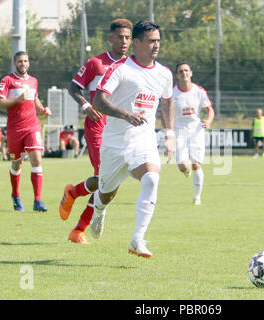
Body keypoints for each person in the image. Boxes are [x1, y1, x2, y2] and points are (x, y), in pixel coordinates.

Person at [90, 20, 175, 258]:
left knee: (151, 178)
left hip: (143, 141)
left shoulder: (164, 74)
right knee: (106, 193)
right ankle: (99, 209)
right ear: (136, 42)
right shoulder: (121, 69)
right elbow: (98, 100)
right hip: (115, 143)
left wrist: (170, 135)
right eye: (151, 41)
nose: (156, 45)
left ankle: (137, 240)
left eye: (158, 40)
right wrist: (125, 114)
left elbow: (167, 103)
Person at [59, 18, 133, 244]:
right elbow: (74, 87)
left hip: (121, 130)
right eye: (119, 37)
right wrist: (86, 106)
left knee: (112, 184)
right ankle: (79, 229)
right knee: (105, 179)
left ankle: (74, 194)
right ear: (110, 38)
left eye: (128, 38)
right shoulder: (95, 63)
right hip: (98, 127)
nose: (123, 41)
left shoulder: (132, 65)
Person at [0, 51, 52, 212]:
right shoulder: (8, 80)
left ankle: (38, 201)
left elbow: (34, 98)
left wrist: (42, 109)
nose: (23, 64)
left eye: (25, 61)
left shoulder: (34, 81)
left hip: (32, 126)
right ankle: (15, 194)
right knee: (17, 163)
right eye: (20, 61)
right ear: (15, 63)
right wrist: (17, 99)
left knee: (37, 160)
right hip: (14, 129)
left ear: (29, 63)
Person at [173, 62, 214, 205]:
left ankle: (197, 197)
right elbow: (166, 112)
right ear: (177, 75)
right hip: (179, 132)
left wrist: (208, 121)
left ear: (191, 73)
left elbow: (210, 110)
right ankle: (186, 171)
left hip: (196, 131)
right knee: (183, 166)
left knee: (197, 165)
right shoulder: (172, 93)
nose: (184, 73)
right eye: (180, 71)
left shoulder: (199, 91)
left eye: (186, 70)